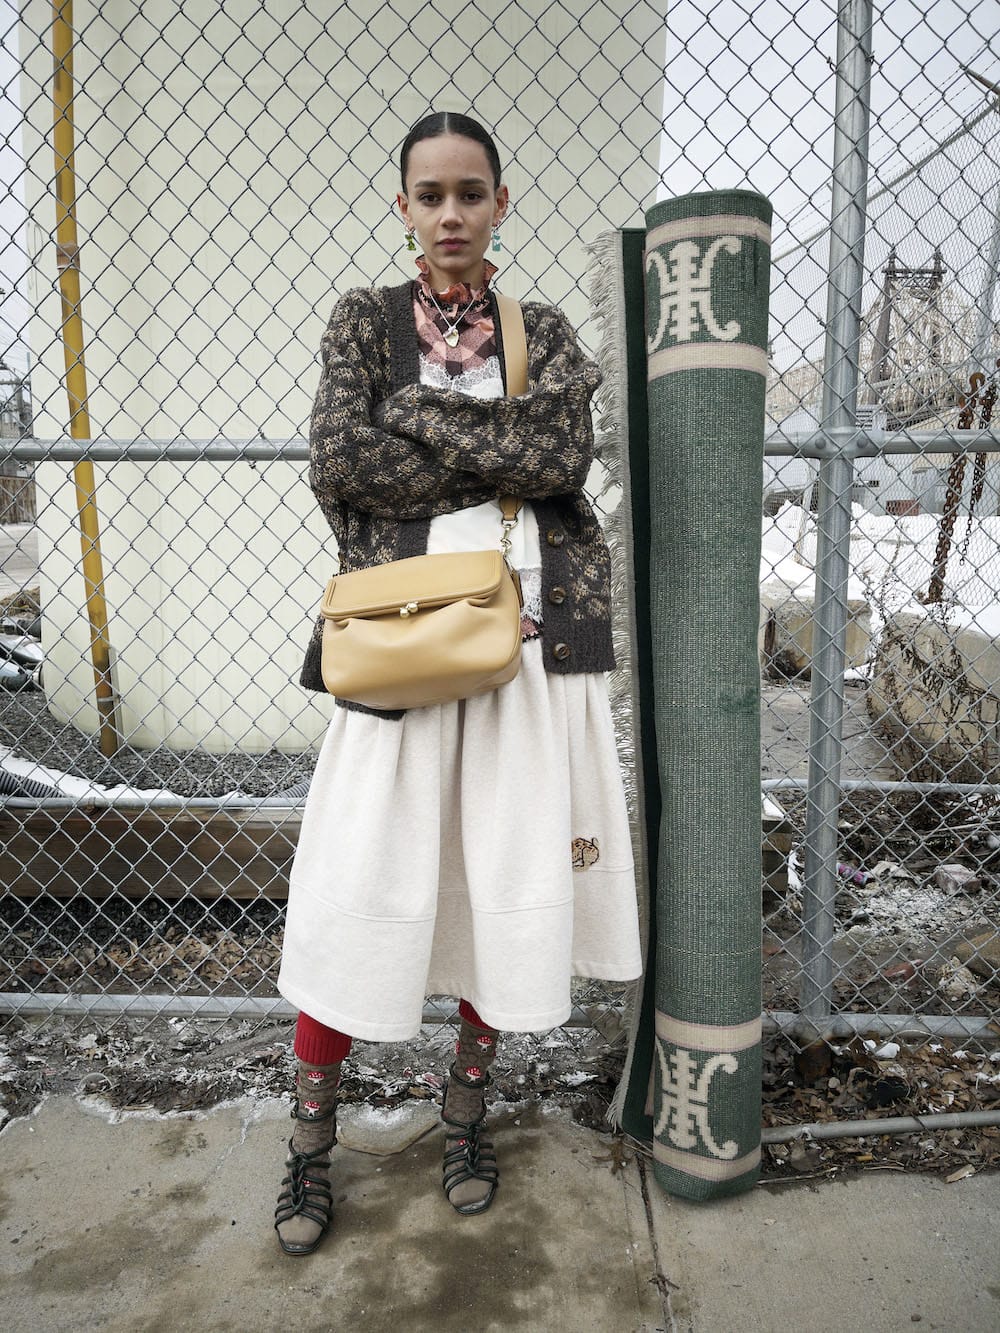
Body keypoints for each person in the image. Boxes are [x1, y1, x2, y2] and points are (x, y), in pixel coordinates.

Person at [273, 110, 642, 1256]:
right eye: (429, 195)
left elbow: (561, 458)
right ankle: (310, 1139)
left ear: (499, 203)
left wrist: (417, 417)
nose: (450, 214)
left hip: (532, 649)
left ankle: (465, 1115)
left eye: (469, 193)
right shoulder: (363, 320)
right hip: (403, 644)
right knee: (360, 877)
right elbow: (340, 459)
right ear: (403, 207)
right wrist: (493, 441)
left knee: (506, 875)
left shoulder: (545, 330)